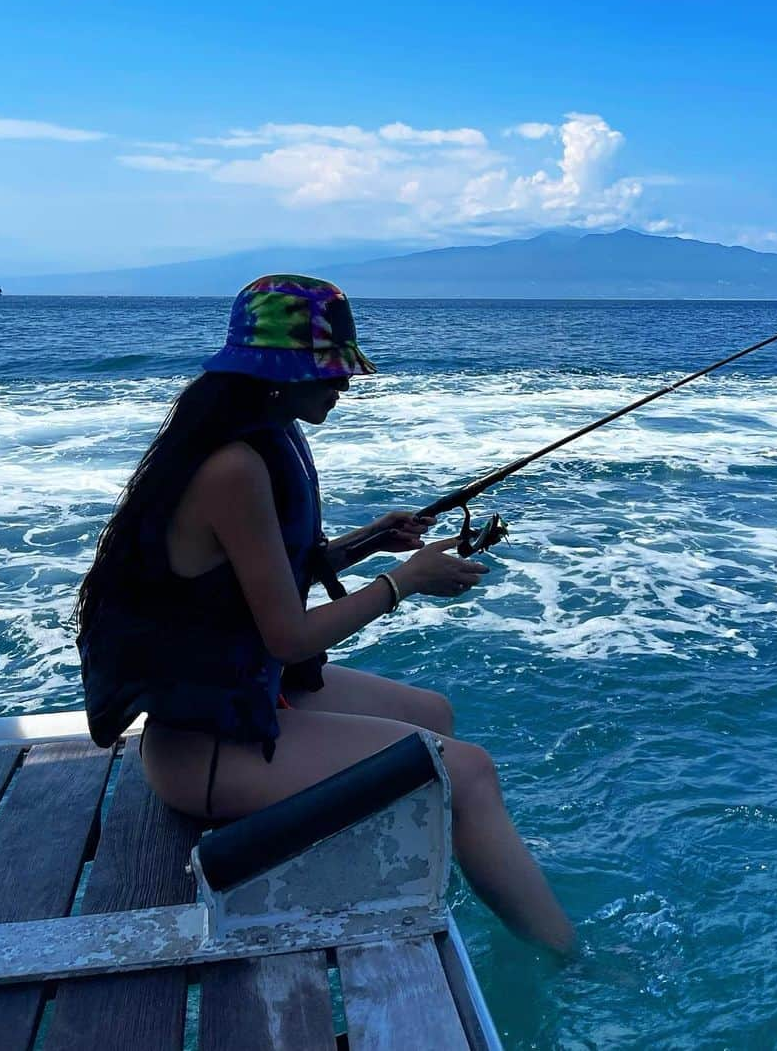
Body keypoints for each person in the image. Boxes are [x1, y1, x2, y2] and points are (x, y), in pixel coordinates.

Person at [73, 274, 574, 954]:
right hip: (204, 749)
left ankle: (449, 882)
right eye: (330, 371)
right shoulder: (233, 468)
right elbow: (288, 631)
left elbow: (267, 575)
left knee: (435, 716)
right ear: (276, 375)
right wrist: (404, 580)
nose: (343, 385)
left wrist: (371, 539)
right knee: (469, 770)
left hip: (252, 699)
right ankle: (575, 963)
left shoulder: (270, 437)